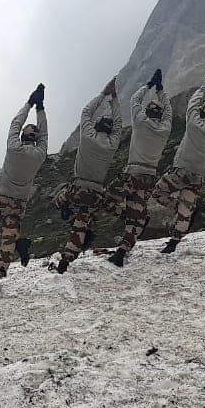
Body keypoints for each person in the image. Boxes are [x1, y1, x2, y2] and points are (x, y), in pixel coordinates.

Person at [0, 84, 47, 293]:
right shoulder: (39, 154)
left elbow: (15, 123)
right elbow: (44, 135)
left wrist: (30, 103)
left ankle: (8, 255)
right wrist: (41, 108)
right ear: (36, 138)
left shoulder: (13, 147)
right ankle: (1, 269)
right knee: (8, 240)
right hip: (18, 204)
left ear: (23, 135)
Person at [151, 70, 205, 253]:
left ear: (201, 112)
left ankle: (178, 207)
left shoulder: (193, 123)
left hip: (182, 169)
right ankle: (174, 241)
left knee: (158, 193)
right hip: (200, 174)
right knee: (187, 207)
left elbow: (192, 104)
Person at [52, 78, 122, 273]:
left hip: (76, 189)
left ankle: (65, 209)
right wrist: (115, 100)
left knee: (57, 198)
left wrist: (103, 94)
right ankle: (67, 258)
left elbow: (86, 112)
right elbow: (119, 124)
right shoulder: (112, 143)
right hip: (96, 194)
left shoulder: (87, 137)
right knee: (82, 223)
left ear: (97, 126)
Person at [106, 69, 172, 266]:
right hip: (149, 177)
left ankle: (127, 215)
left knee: (104, 199)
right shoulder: (165, 128)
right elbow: (169, 111)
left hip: (131, 173)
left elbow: (135, 100)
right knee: (136, 216)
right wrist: (162, 92)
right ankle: (122, 251)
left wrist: (150, 85)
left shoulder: (140, 122)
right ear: (159, 116)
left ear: (147, 111)